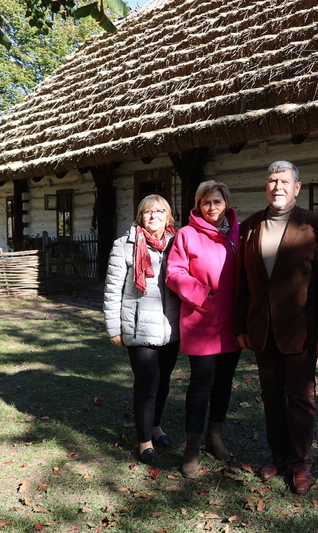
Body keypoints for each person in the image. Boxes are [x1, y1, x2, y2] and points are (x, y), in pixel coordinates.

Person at [235, 161, 318, 494]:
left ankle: (301, 463)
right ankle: (278, 456)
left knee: (301, 398)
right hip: (261, 328)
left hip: (301, 329)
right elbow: (243, 281)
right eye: (272, 181)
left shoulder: (315, 225)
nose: (277, 187)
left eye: (284, 181)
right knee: (271, 396)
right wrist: (242, 324)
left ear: (297, 187)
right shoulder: (250, 226)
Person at [166, 181, 241, 478]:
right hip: (201, 319)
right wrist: (201, 293)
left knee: (224, 381)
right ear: (198, 204)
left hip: (232, 320)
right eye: (206, 202)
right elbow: (174, 272)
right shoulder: (186, 234)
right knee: (201, 383)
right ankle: (192, 446)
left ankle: (215, 436)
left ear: (226, 204)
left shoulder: (239, 232)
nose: (212, 207)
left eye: (217, 202)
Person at [103, 194, 181, 465]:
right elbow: (112, 290)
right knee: (147, 385)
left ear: (168, 216)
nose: (153, 216)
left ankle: (156, 426)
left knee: (164, 383)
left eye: (160, 211)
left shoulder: (177, 244)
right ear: (140, 216)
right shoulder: (124, 245)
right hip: (139, 328)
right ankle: (144, 441)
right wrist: (114, 328)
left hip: (170, 326)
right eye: (148, 211)